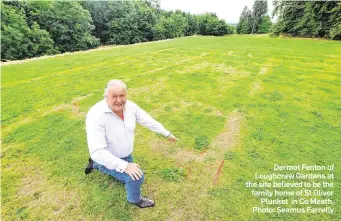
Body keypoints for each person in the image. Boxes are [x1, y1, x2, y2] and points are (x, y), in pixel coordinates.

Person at [85, 79, 178, 208]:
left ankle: (96, 164)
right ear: (106, 96)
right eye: (114, 96)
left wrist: (166, 133)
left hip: (125, 154)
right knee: (136, 177)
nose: (119, 100)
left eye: (122, 95)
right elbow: (97, 152)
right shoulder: (96, 115)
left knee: (130, 170)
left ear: (126, 94)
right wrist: (124, 166)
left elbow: (148, 120)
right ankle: (135, 200)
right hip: (109, 157)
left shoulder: (131, 107)